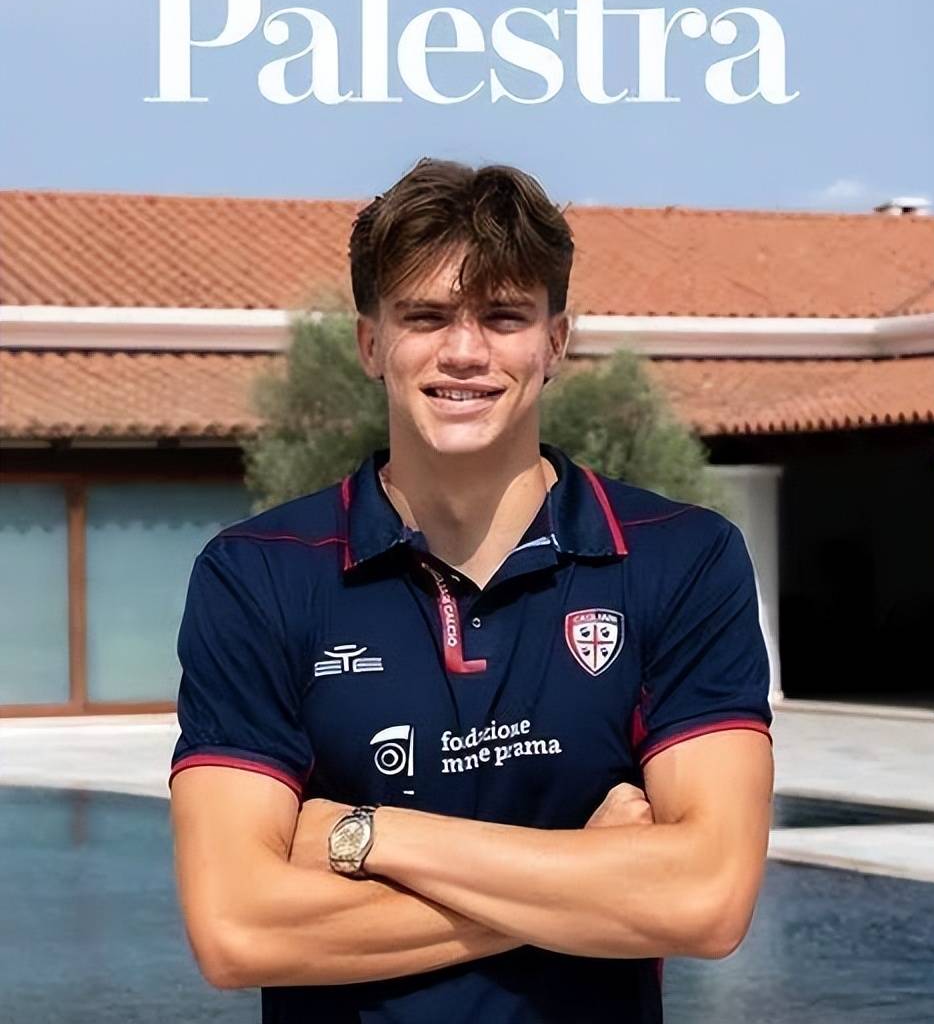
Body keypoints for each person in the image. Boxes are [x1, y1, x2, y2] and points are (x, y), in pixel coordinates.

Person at [168, 158, 774, 1024]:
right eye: (425, 317)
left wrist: (368, 833)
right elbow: (237, 931)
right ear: (370, 344)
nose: (463, 351)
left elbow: (706, 902)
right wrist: (589, 879)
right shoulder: (259, 574)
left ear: (554, 343)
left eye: (503, 316)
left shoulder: (680, 559)